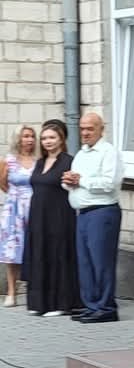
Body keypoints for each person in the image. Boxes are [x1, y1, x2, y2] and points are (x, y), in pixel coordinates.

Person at [63, 110, 124, 322]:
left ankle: (106, 307)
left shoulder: (108, 152)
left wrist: (81, 181)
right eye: (82, 129)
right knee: (85, 262)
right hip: (83, 212)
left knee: (101, 262)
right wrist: (68, 182)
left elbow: (110, 183)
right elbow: (75, 182)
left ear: (101, 129)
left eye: (90, 129)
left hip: (102, 212)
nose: (85, 133)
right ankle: (91, 305)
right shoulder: (81, 154)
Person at [24, 120, 80, 319]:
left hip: (59, 216)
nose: (47, 141)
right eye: (44, 138)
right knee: (40, 254)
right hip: (38, 216)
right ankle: (39, 303)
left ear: (61, 139)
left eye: (52, 138)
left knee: (58, 255)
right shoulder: (40, 162)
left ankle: (61, 303)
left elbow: (74, 186)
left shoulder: (68, 161)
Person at [0, 125, 38, 306]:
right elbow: (2, 183)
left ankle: (34, 289)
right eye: (25, 136)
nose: (29, 140)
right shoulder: (9, 160)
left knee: (34, 247)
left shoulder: (39, 161)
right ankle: (11, 292)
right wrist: (15, 197)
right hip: (14, 210)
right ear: (18, 139)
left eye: (32, 136)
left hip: (35, 208)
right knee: (12, 250)